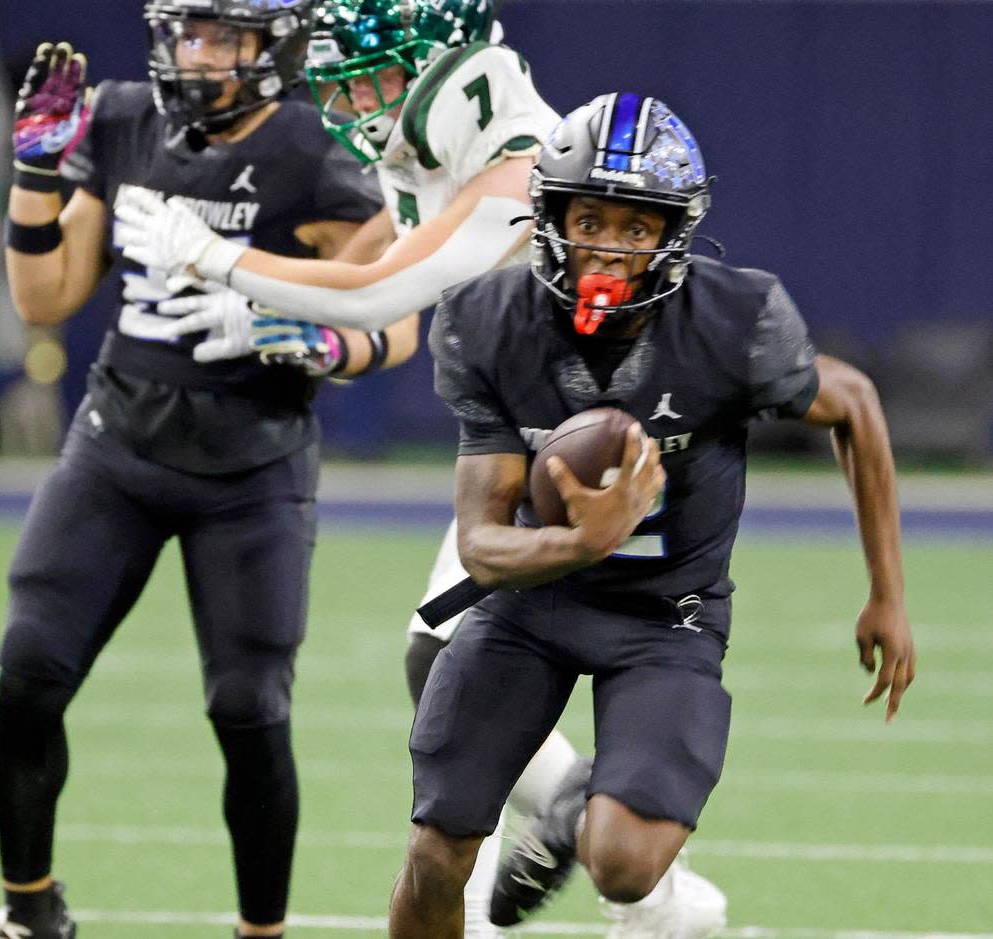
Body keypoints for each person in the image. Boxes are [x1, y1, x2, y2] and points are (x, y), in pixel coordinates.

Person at [110, 3, 721, 935]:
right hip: (537, 440)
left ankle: (610, 880)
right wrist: (293, 324)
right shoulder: (434, 155)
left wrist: (220, 260)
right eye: (347, 79)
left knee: (460, 666)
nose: (359, 102)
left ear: (442, 67)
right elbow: (393, 295)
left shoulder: (524, 157)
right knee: (436, 655)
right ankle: (610, 852)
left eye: (377, 76)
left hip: (603, 451)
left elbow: (382, 288)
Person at [386, 92, 917, 939]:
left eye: (637, 227)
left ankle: (648, 886)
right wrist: (578, 537)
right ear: (550, 215)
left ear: (672, 236)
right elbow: (483, 546)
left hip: (668, 614)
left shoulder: (731, 321)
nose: (608, 245)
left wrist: (887, 592)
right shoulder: (489, 321)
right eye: (589, 218)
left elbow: (853, 400)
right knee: (436, 852)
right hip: (531, 608)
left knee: (624, 862)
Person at [0, 1, 402, 936]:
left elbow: (396, 315)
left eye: (219, 36)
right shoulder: (124, 117)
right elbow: (45, 294)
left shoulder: (313, 153)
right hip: (118, 440)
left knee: (247, 708)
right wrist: (34, 173)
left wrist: (315, 336)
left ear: (273, 46)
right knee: (31, 665)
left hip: (253, 460)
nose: (193, 54)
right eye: (185, 32)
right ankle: (29, 910)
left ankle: (261, 932)